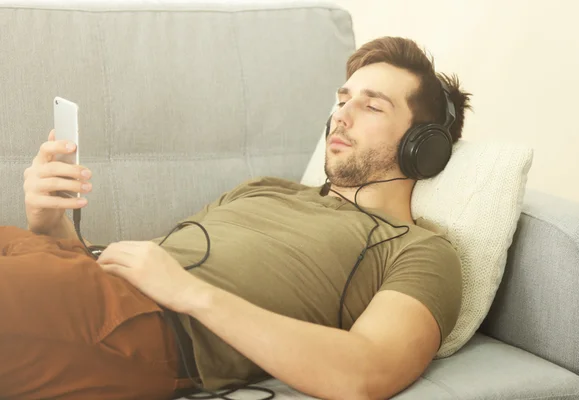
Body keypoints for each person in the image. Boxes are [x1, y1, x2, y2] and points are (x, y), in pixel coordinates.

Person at [2, 36, 471, 400]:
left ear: (423, 148)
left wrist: (190, 295)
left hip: (154, 328)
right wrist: (49, 223)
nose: (341, 116)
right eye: (342, 99)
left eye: (371, 106)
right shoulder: (265, 188)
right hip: (79, 276)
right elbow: (115, 277)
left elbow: (367, 373)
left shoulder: (419, 251)